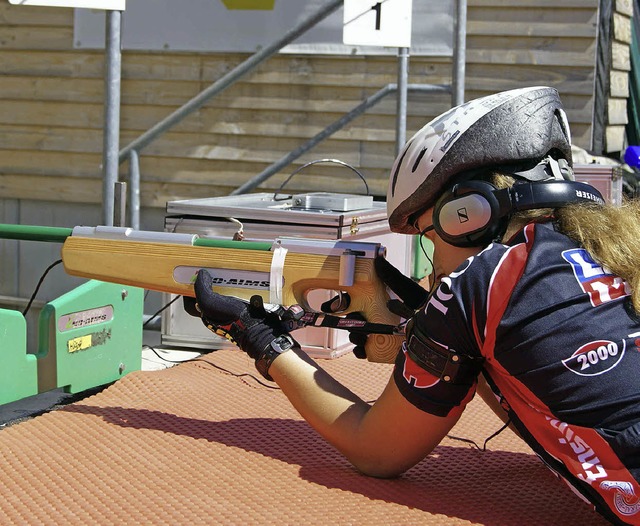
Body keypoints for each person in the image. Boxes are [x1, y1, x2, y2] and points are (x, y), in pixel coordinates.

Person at [187, 86, 640, 525]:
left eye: (428, 235)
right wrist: (445, 337)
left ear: (468, 216)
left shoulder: (478, 283)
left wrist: (261, 337)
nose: (432, 261)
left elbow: (376, 451)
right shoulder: (618, 249)